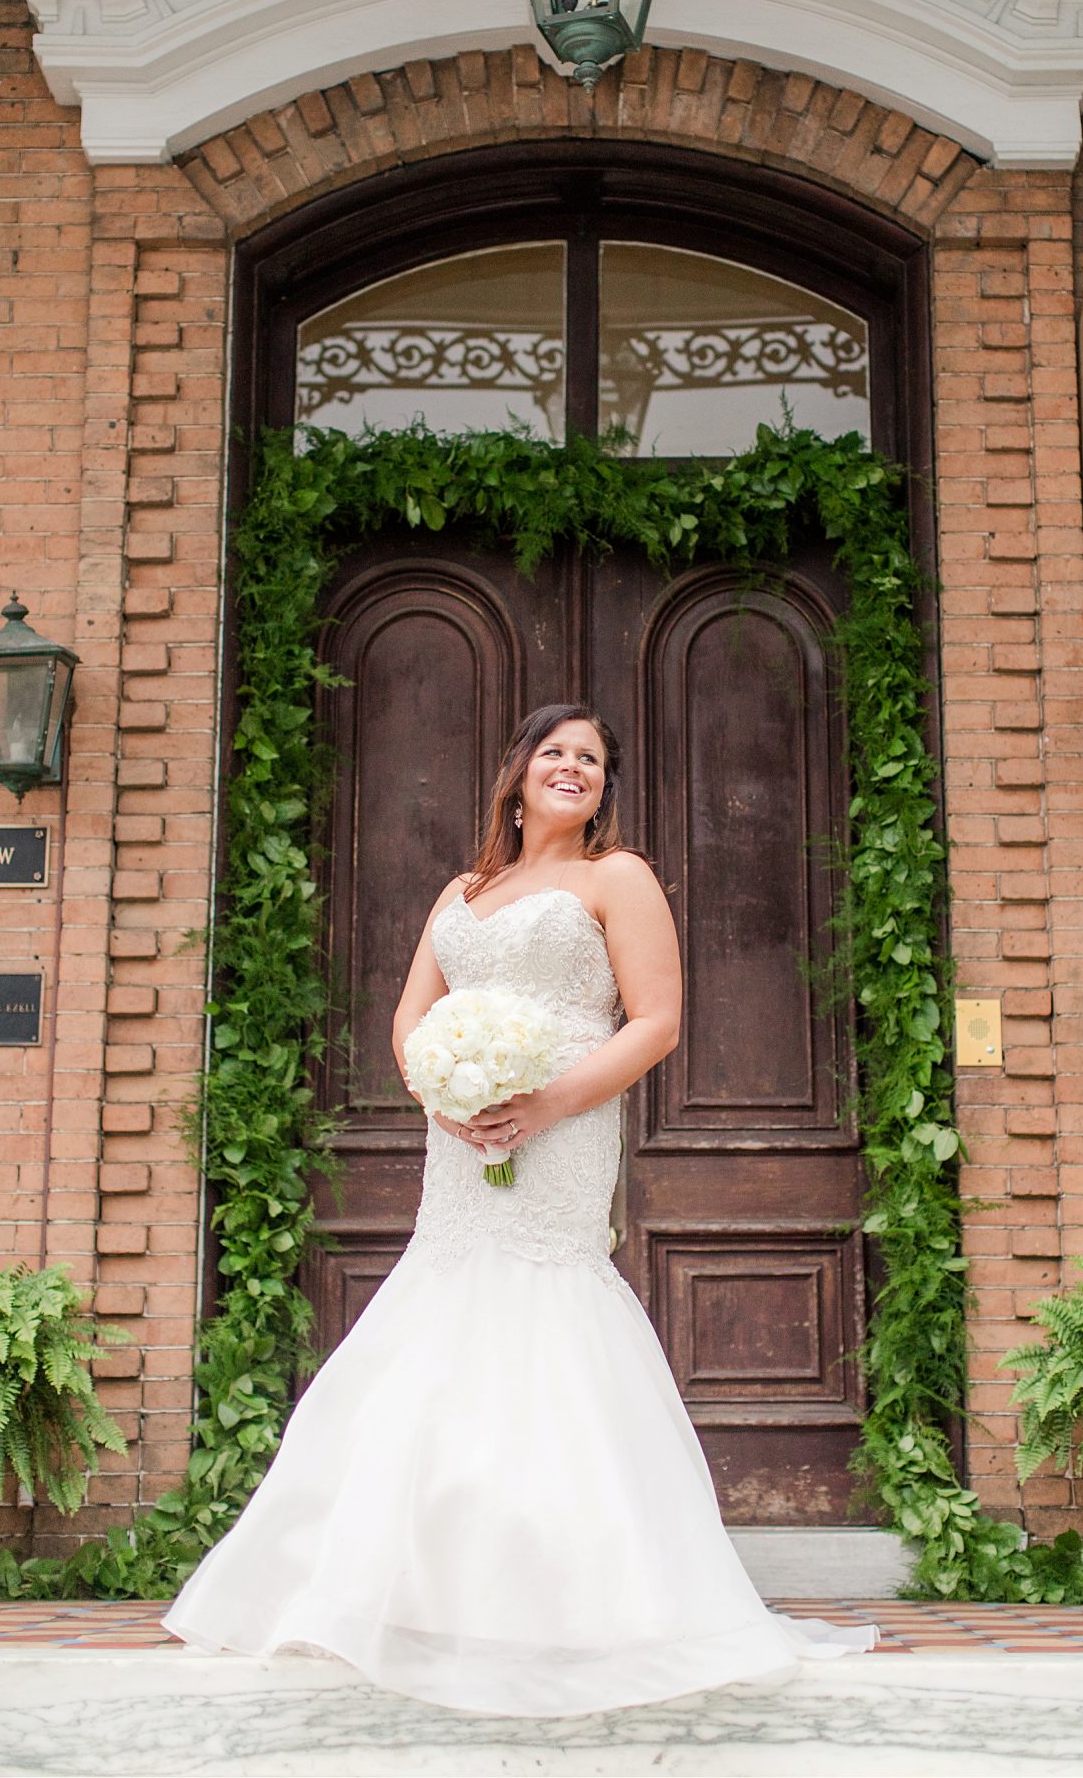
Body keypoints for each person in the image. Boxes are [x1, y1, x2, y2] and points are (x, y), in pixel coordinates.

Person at [162, 704, 878, 1714]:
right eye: (554, 750)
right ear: (518, 771)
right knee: (444, 1316)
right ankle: (406, 1590)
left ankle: (581, 1600)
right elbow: (410, 1012)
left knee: (547, 1315)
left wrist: (543, 1100)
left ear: (605, 786)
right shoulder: (467, 888)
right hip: (460, 1139)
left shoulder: (614, 878)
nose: (571, 765)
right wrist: (439, 1092)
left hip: (563, 1126)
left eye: (589, 756)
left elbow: (659, 1020)